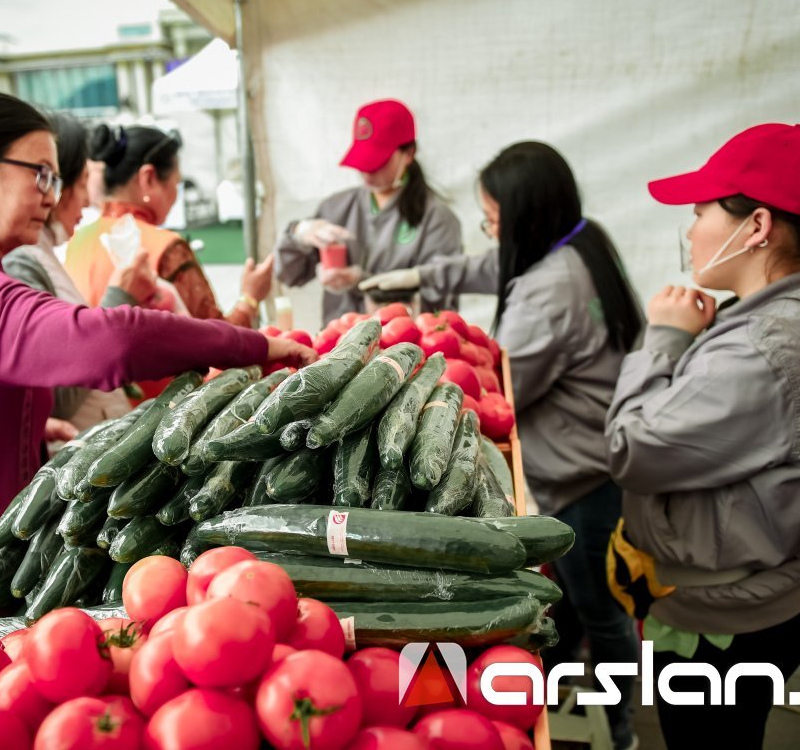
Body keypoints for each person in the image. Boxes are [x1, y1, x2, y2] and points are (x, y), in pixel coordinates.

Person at [0, 91, 315, 678]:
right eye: (41, 174)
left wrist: (23, 424)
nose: (52, 196)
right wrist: (252, 345)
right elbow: (106, 341)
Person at [604, 123, 800, 748]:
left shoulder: (763, 350)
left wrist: (663, 338)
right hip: (775, 593)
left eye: (701, 210)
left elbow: (631, 451)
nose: (690, 229)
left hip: (724, 628)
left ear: (757, 227)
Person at [366, 141, 643, 748]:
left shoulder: (549, 290)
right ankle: (568, 683)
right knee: (571, 598)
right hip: (589, 458)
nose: (489, 228)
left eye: (494, 216)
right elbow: (491, 266)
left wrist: (422, 384)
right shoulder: (578, 240)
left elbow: (501, 383)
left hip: (578, 473)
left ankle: (622, 727)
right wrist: (424, 279)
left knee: (599, 607)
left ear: (526, 213)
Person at [3, 114, 140, 430]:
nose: (87, 200)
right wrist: (119, 297)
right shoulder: (22, 262)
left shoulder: (49, 252)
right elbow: (57, 392)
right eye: (79, 184)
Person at [274, 99, 463, 324]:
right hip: (338, 345)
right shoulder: (336, 208)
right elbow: (289, 275)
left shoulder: (436, 220)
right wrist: (298, 234)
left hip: (402, 348)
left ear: (409, 153)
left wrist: (363, 283)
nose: (367, 172)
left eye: (377, 162)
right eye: (362, 162)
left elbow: (441, 302)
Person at [64, 124, 272, 323]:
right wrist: (250, 299)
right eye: (176, 183)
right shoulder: (168, 249)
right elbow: (218, 344)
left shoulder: (77, 240)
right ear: (149, 178)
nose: (175, 194)